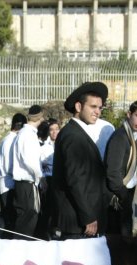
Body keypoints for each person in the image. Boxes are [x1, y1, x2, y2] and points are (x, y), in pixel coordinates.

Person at [47, 82, 107, 240]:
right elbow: (75, 180)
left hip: (78, 220)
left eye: (100, 108)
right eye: (93, 106)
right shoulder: (73, 136)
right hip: (76, 223)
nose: (97, 112)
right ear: (79, 107)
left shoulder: (76, 132)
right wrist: (88, 216)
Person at [103, 100, 137, 236]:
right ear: (129, 114)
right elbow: (112, 172)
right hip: (118, 196)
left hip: (126, 193)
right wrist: (123, 195)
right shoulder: (121, 137)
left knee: (125, 235)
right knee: (119, 238)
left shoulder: (132, 135)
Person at [10, 105, 45, 237]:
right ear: (40, 118)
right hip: (26, 183)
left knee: (27, 220)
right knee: (27, 221)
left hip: (25, 184)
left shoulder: (26, 134)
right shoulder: (28, 135)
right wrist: (40, 177)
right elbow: (30, 161)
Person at [0, 112, 26, 235]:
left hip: (6, 184)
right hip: (9, 185)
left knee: (8, 222)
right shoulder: (11, 140)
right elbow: (9, 166)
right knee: (9, 224)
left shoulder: (7, 139)